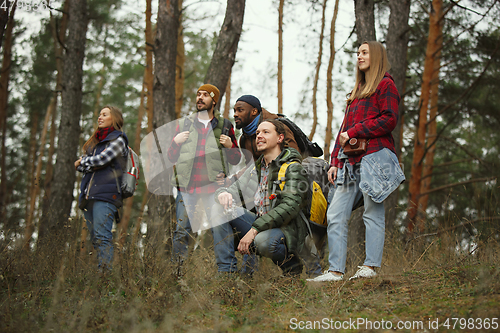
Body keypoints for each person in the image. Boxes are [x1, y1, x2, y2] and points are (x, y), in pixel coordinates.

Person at [308, 41, 405, 282]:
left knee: (373, 212)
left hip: (374, 158)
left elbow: (389, 120)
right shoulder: (357, 91)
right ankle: (335, 271)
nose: (359, 56)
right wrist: (333, 161)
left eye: (364, 53)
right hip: (347, 163)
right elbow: (343, 129)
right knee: (336, 214)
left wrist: (356, 130)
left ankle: (370, 268)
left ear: (377, 56)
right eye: (358, 53)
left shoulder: (385, 84)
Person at [214, 120, 317, 276]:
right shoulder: (255, 169)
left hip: (288, 229)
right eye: (257, 133)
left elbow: (290, 206)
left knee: (262, 241)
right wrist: (223, 192)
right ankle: (226, 274)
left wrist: (254, 230)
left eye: (265, 132)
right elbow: (232, 189)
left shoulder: (293, 167)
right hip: (262, 225)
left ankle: (291, 267)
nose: (259, 136)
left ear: (280, 138)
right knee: (219, 209)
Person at [168, 84, 244, 274]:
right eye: (198, 94)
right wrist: (175, 143)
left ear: (214, 100)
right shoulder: (184, 124)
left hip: (213, 189)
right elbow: (170, 157)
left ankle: (226, 274)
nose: (200, 98)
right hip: (187, 188)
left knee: (220, 228)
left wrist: (230, 146)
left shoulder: (225, 126)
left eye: (205, 95)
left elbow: (235, 159)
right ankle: (178, 275)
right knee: (182, 231)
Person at [75, 106, 129, 270]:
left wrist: (83, 162)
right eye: (99, 114)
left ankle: (105, 278)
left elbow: (100, 161)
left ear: (114, 119)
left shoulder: (118, 140)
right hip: (90, 195)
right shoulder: (97, 143)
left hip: (107, 196)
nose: (100, 117)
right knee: (95, 238)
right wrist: (87, 164)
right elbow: (87, 166)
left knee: (102, 236)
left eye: (104, 115)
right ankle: (103, 272)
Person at [233, 95, 301, 163]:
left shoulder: (278, 127)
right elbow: (251, 168)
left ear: (254, 111)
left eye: (240, 110)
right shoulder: (244, 139)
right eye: (235, 111)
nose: (235, 114)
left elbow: (294, 157)